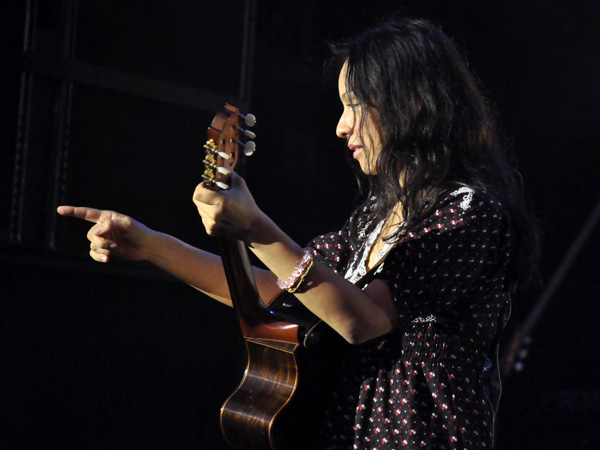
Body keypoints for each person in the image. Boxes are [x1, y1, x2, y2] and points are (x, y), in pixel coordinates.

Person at [57, 18, 539, 450]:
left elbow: (362, 320)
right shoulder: (372, 218)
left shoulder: (469, 215)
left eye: (355, 105)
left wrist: (257, 228)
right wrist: (151, 245)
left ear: (411, 104)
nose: (340, 126)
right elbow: (284, 288)